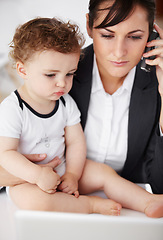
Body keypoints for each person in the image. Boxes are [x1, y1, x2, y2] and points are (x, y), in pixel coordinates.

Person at [0, 16, 163, 218]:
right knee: (37, 202)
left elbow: (76, 143)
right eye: (51, 75)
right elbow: (5, 153)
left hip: (63, 168)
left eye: (69, 74)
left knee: (103, 173)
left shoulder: (65, 103)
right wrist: (37, 175)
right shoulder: (12, 108)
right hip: (27, 178)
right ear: (22, 70)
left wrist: (72, 175)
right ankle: (91, 205)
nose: (62, 83)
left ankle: (148, 201)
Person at [69, 0, 163, 194]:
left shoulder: (157, 82)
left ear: (151, 32)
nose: (119, 52)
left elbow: (160, 185)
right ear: (89, 26)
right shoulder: (62, 73)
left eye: (135, 37)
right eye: (107, 35)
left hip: (129, 210)